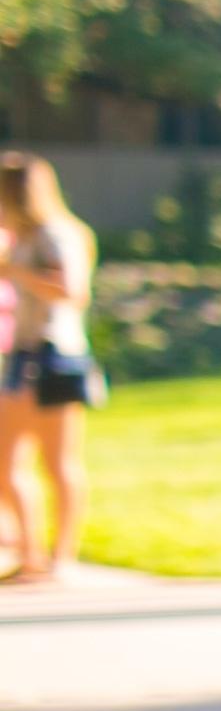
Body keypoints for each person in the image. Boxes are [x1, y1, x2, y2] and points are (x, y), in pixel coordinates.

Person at [0, 150, 101, 585]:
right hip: (25, 355)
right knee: (7, 463)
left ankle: (59, 557)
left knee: (58, 463)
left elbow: (71, 290)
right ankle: (32, 554)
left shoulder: (57, 235)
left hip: (55, 355)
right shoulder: (25, 236)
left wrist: (15, 271)